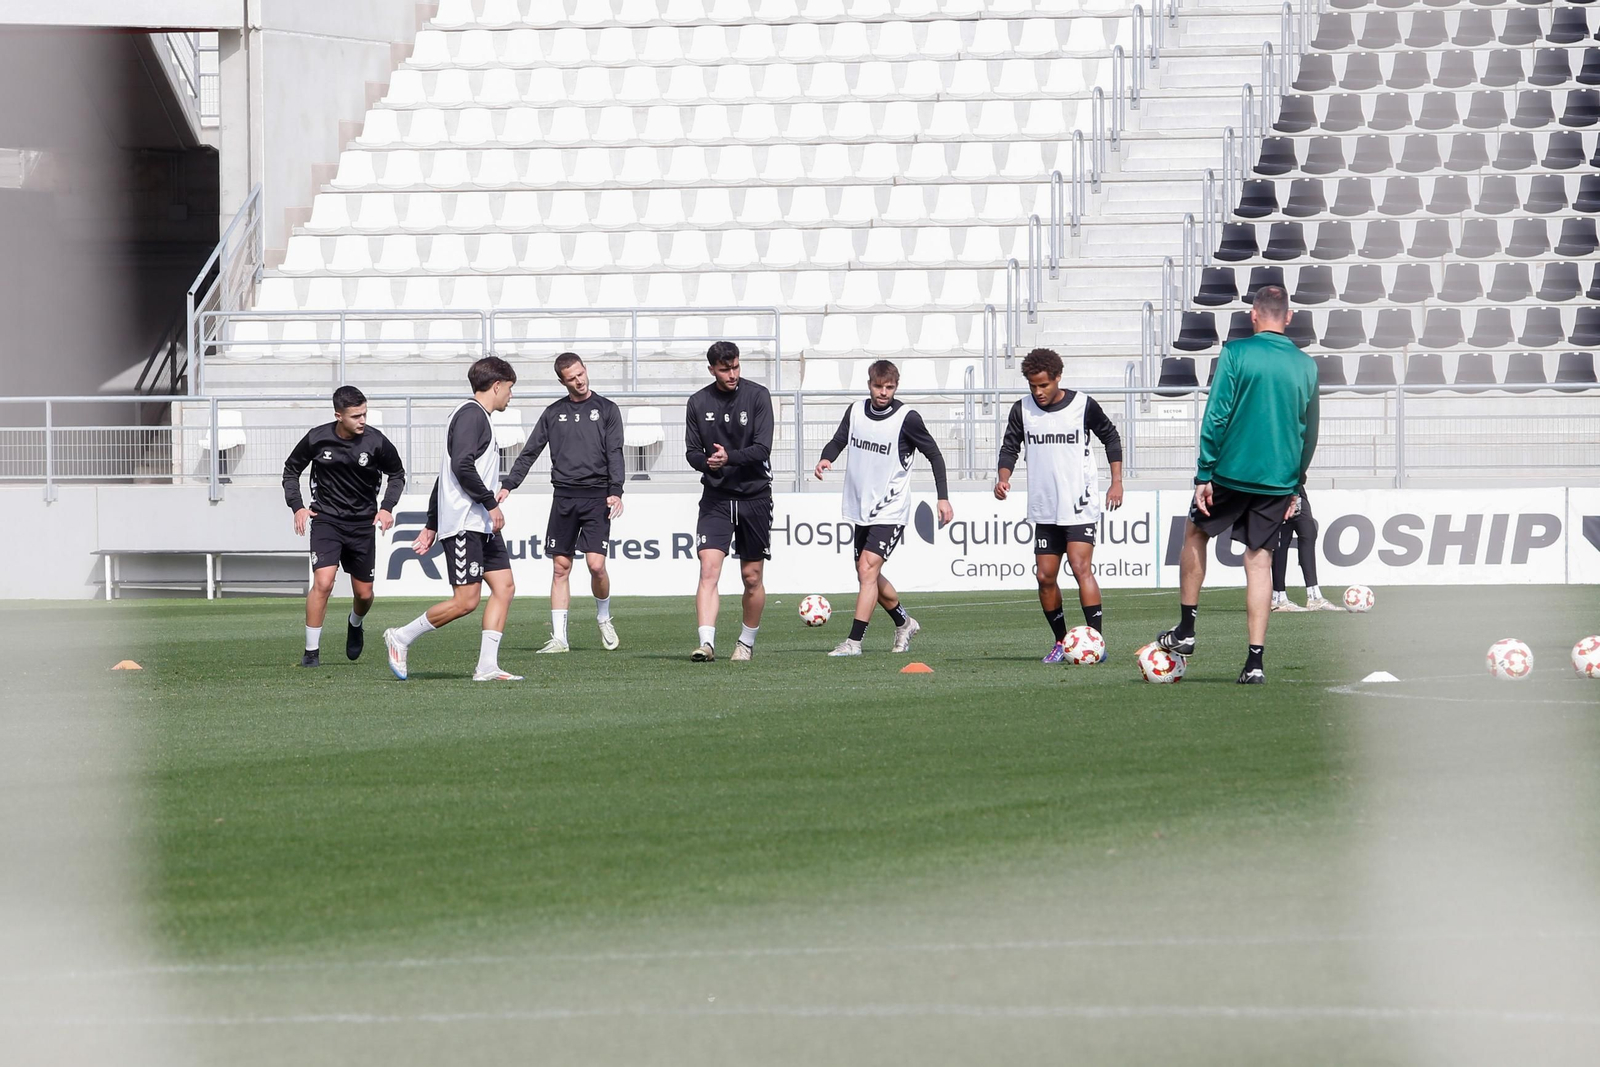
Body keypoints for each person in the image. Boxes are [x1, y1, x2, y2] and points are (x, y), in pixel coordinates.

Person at [1156, 284, 1319, 684]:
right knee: (1259, 561)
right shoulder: (1307, 365)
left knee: (1195, 533)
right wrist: (1295, 484)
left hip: (1230, 472)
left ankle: (1187, 631)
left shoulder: (1235, 353)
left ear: (1253, 315)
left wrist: (1204, 473)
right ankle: (1254, 663)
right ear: (1289, 317)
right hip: (1278, 479)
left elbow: (1217, 414)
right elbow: (1310, 432)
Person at [384, 356, 522, 682]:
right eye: (509, 388)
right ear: (497, 385)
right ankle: (401, 637)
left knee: (504, 587)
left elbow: (444, 475)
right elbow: (460, 467)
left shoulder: (477, 417)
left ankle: (487, 666)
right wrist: (490, 503)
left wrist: (431, 523)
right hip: (465, 523)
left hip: (480, 524)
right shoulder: (471, 415)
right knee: (466, 601)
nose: (511, 395)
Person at [813, 359, 953, 657]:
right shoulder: (855, 411)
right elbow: (839, 440)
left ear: (896, 387)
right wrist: (827, 458)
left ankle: (853, 643)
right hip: (861, 506)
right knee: (868, 574)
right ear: (869, 385)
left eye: (889, 387)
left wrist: (943, 497)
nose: (883, 392)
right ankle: (904, 623)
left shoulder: (907, 418)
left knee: (867, 569)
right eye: (878, 386)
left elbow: (935, 455)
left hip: (891, 508)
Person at [995, 348, 1124, 663]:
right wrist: (1003, 478)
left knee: (1080, 568)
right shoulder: (1022, 410)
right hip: (1045, 507)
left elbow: (1111, 437)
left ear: (1057, 378)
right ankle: (1060, 641)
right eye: (1033, 386)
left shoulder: (1083, 405)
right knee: (1044, 576)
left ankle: (1095, 642)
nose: (1038, 392)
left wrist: (1117, 481)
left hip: (1079, 504)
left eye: (1044, 385)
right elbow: (1010, 447)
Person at [500, 352, 625, 653]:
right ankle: (560, 638)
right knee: (560, 567)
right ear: (562, 381)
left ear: (586, 369)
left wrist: (616, 490)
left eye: (581, 374)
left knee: (596, 565)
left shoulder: (607, 409)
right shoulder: (553, 413)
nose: (579, 381)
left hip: (597, 497)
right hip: (565, 498)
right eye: (572, 378)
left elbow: (615, 451)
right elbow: (530, 451)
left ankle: (604, 617)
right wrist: (509, 484)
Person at [282, 386, 406, 667]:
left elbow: (397, 474)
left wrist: (387, 507)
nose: (362, 420)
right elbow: (291, 470)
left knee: (363, 594)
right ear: (338, 415)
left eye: (364, 414)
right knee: (323, 583)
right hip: (326, 520)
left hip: (363, 523)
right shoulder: (317, 438)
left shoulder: (376, 442)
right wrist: (298, 506)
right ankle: (311, 653)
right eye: (356, 416)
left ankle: (355, 622)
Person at [685, 340, 773, 662]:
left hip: (754, 496)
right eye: (725, 369)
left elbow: (762, 449)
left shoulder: (758, 396)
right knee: (708, 569)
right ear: (712, 370)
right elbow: (691, 452)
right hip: (717, 498)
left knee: (752, 577)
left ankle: (745, 643)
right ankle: (706, 644)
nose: (732, 374)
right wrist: (707, 463)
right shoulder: (698, 402)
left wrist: (729, 458)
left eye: (735, 367)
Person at [1270, 488, 1339, 612]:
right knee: (1281, 541)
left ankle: (1314, 597)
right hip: (1278, 489)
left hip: (1296, 488)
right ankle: (1278, 598)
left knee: (1308, 532)